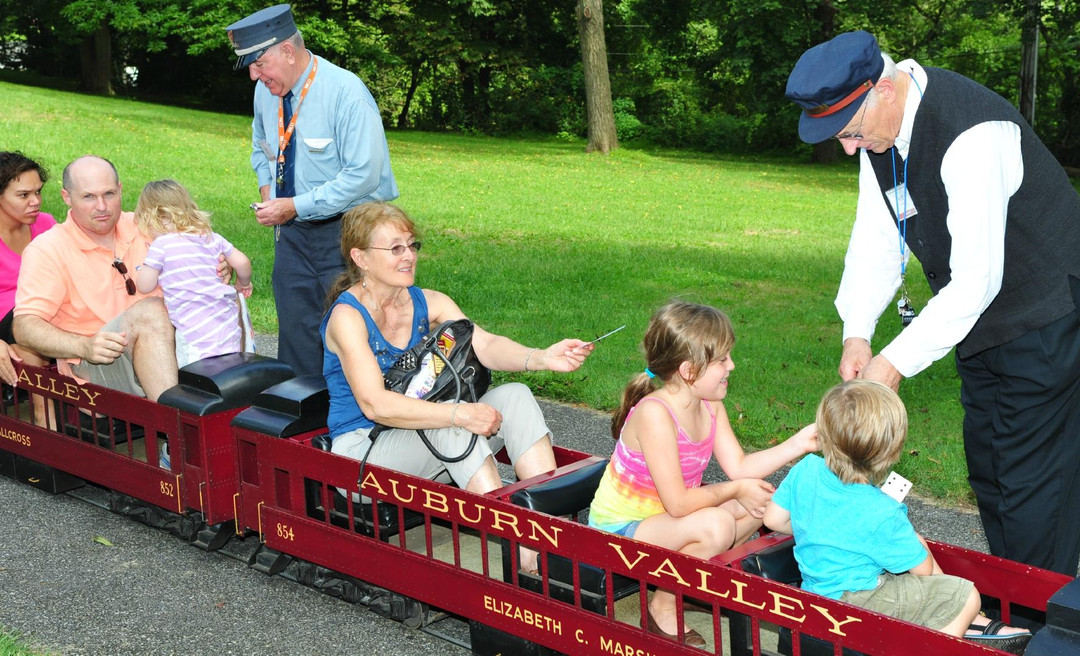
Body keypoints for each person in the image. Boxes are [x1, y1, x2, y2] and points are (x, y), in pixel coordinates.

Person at [785, 30, 1080, 577]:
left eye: (849, 132)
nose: (847, 148)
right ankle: (1015, 597)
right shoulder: (880, 135)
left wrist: (892, 363)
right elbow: (878, 237)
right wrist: (857, 330)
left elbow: (976, 281)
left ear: (885, 91)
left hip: (1044, 315)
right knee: (991, 469)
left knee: (1033, 485)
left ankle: (1045, 621)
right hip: (977, 325)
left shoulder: (971, 134)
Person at [321, 202, 592, 547]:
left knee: (516, 396)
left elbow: (486, 344)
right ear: (360, 258)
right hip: (363, 448)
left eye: (412, 245)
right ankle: (524, 550)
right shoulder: (347, 317)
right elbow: (376, 406)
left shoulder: (428, 302)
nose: (409, 256)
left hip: (420, 433)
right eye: (395, 248)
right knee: (454, 429)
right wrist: (459, 413)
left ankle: (547, 532)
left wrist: (542, 357)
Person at [588, 300, 818, 648]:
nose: (732, 366)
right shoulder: (655, 413)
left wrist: (798, 443)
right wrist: (734, 489)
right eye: (723, 360)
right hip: (621, 529)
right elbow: (680, 504)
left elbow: (740, 468)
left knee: (760, 503)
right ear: (688, 370)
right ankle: (662, 605)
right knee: (719, 524)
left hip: (666, 521)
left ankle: (693, 582)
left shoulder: (710, 404)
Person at [764, 380, 1031, 653]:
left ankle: (965, 627)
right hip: (861, 602)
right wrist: (918, 543)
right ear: (891, 451)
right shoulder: (882, 511)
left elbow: (773, 520)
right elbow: (923, 570)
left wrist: (824, 530)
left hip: (817, 593)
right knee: (963, 595)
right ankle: (934, 645)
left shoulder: (807, 469)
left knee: (912, 585)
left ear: (822, 433)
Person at [226, 4, 399, 378]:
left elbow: (363, 176)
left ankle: (363, 425)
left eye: (259, 64)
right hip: (291, 234)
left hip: (349, 232)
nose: (254, 76)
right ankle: (302, 428)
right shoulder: (266, 92)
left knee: (353, 336)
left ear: (288, 52)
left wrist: (294, 206)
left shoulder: (346, 93)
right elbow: (261, 145)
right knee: (297, 334)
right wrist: (269, 191)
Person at [13, 156, 181, 401]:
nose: (102, 206)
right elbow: (25, 327)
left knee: (224, 298)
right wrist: (84, 346)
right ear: (67, 197)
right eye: (88, 197)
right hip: (97, 368)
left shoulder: (145, 226)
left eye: (109, 194)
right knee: (151, 312)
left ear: (121, 189)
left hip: (164, 342)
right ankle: (176, 434)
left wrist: (219, 266)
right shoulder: (48, 249)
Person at [134, 179, 253, 367]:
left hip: (193, 333)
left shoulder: (161, 246)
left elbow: (144, 286)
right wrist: (243, 283)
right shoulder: (211, 237)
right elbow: (243, 262)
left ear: (150, 217)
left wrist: (144, 270)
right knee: (229, 370)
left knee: (195, 381)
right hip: (225, 325)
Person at [0, 152, 56, 425]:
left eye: (38, 192)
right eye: (23, 195)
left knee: (27, 351)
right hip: (8, 316)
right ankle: (44, 418)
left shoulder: (46, 225)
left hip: (44, 306)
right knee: (33, 345)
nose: (35, 202)